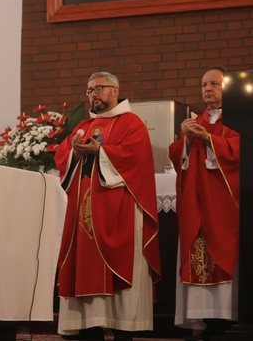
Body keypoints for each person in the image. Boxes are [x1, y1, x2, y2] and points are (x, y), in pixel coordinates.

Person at [54, 71, 160, 341]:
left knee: (122, 267)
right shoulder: (85, 126)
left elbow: (135, 159)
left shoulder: (131, 123)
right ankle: (88, 326)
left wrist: (101, 153)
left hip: (119, 211)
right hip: (84, 215)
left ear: (115, 91)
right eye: (89, 90)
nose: (94, 94)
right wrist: (74, 152)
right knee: (86, 265)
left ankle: (123, 328)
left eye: (99, 88)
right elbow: (63, 152)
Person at [169, 66, 240, 341]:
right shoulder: (195, 120)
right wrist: (186, 138)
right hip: (197, 205)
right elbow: (178, 157)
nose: (207, 89)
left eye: (214, 84)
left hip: (223, 207)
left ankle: (226, 319)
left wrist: (209, 138)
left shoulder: (238, 120)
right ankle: (203, 319)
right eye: (203, 85)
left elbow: (239, 151)